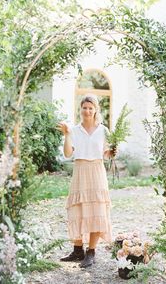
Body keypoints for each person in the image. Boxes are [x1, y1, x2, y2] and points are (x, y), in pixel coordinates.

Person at [57, 94, 115, 268]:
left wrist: (112, 152)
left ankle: (91, 252)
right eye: (84, 107)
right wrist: (67, 134)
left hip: (97, 170)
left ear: (96, 109)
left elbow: (106, 154)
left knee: (97, 209)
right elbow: (68, 153)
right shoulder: (74, 130)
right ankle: (77, 250)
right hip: (80, 170)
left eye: (91, 108)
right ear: (80, 109)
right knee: (77, 209)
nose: (87, 111)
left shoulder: (104, 130)